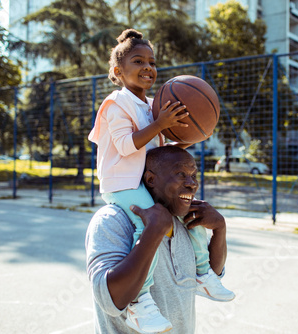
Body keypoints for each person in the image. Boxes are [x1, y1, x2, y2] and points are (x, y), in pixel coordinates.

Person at [87, 29, 234, 333]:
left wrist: (192, 128)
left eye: (152, 62)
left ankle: (204, 274)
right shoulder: (116, 104)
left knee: (192, 214)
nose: (148, 68)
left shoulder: (155, 104)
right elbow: (128, 146)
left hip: (145, 183)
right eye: (138, 61)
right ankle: (139, 304)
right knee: (150, 224)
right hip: (122, 184)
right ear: (118, 71)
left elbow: (167, 147)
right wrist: (160, 124)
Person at [86, 146, 232, 333]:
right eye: (180, 174)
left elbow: (211, 272)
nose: (192, 184)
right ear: (150, 179)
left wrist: (220, 229)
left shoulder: (183, 220)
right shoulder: (112, 219)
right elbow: (110, 299)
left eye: (194, 176)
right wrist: (152, 233)